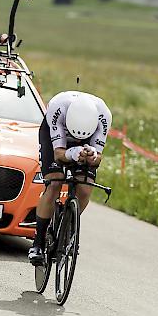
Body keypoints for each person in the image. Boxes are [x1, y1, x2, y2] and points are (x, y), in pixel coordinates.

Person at [28, 91, 112, 265]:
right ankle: (38, 242)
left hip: (87, 141)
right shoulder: (58, 108)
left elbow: (97, 160)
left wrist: (92, 156)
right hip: (56, 139)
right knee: (54, 183)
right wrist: (74, 153)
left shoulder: (103, 116)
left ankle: (68, 229)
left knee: (85, 188)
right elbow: (59, 155)